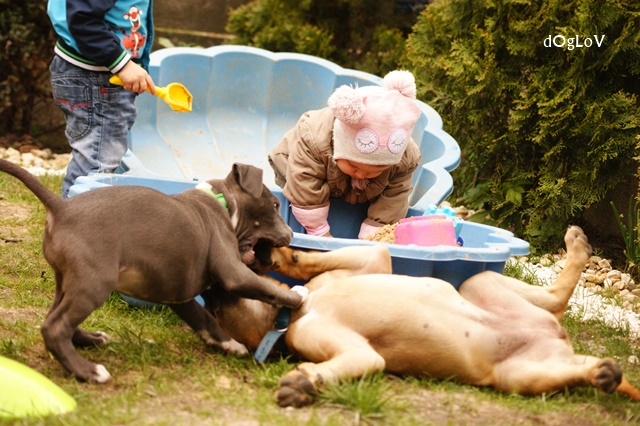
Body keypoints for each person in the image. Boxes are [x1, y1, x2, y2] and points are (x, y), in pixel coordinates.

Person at [269, 70, 422, 239]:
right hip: (299, 166)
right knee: (299, 183)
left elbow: (394, 200)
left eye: (376, 170)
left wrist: (373, 238)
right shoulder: (313, 139)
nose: (361, 174)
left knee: (386, 195)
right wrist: (320, 233)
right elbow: (304, 185)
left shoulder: (403, 159)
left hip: (357, 185)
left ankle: (356, 185)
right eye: (354, 166)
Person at [47, 0, 156, 198]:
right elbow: (82, 19)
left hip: (96, 74)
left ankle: (71, 215)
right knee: (97, 164)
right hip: (97, 77)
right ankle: (77, 217)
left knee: (95, 156)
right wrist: (122, 64)